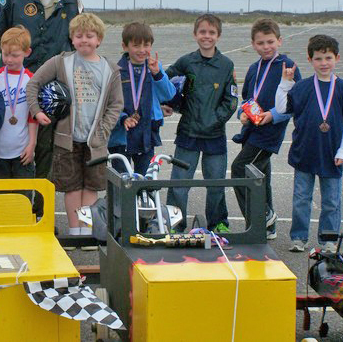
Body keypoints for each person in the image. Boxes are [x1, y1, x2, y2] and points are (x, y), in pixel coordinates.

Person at [0, 0, 83, 215]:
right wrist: (16, 61)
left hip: (53, 89)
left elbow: (77, 38)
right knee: (8, 145)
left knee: (45, 150)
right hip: (16, 83)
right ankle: (6, 210)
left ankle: (39, 213)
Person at [26, 13, 123, 236]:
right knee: (71, 187)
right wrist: (37, 112)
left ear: (99, 39)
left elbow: (116, 104)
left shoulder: (110, 69)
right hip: (66, 139)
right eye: (79, 36)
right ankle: (74, 230)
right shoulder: (61, 62)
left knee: (91, 187)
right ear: (72, 38)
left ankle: (89, 230)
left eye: (90, 36)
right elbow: (33, 84)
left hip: (95, 140)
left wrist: (103, 130)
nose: (84, 40)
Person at [276, 34, 343, 253]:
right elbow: (282, 108)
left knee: (331, 201)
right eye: (319, 58)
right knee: (301, 199)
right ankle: (299, 237)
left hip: (332, 154)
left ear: (337, 58)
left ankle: (328, 239)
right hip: (305, 152)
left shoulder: (342, 89)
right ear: (310, 59)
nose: (324, 63)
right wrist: (285, 83)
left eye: (328, 58)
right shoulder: (302, 87)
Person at [165, 14, 238, 233]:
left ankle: (219, 224)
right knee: (179, 183)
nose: (207, 36)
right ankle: (174, 225)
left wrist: (214, 121)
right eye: (203, 32)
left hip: (214, 135)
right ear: (195, 34)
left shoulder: (226, 65)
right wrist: (166, 104)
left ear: (218, 36)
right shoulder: (186, 61)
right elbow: (165, 84)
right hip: (188, 133)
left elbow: (232, 100)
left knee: (215, 183)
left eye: (212, 32)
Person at [230, 19, 301, 240]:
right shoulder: (254, 68)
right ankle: (263, 228)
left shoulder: (288, 67)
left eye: (270, 41)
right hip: (251, 129)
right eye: (260, 43)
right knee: (261, 177)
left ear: (279, 41)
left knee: (239, 170)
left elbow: (295, 103)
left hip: (269, 133)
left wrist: (272, 115)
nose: (266, 46)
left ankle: (263, 216)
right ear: (253, 44)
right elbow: (247, 98)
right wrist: (242, 113)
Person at [108, 22, 176, 175]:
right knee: (121, 180)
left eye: (146, 45)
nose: (142, 50)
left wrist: (158, 74)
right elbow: (109, 103)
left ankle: (144, 199)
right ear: (125, 46)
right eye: (136, 45)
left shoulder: (154, 68)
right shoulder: (115, 71)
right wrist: (123, 118)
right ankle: (119, 199)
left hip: (146, 134)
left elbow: (169, 94)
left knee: (145, 179)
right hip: (121, 135)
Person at [0, 26, 38, 206]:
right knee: (0, 198)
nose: (9, 59)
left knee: (23, 197)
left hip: (22, 150)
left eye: (15, 55)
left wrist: (32, 144)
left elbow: (32, 116)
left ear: (27, 52)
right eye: (5, 54)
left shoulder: (31, 79)